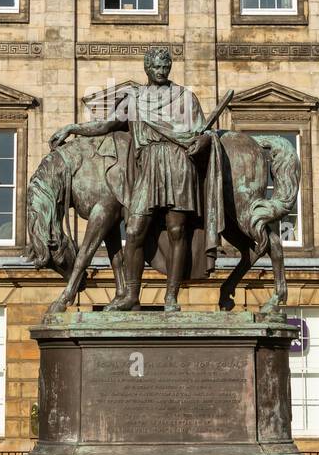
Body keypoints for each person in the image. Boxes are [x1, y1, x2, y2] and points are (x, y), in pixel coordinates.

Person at [50, 46, 224, 310]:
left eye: (166, 66)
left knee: (177, 230)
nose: (162, 71)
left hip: (178, 164)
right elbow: (105, 125)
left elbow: (204, 133)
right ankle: (131, 295)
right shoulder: (135, 99)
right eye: (157, 67)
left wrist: (202, 141)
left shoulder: (184, 97)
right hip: (149, 164)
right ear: (147, 68)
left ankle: (171, 297)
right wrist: (72, 128)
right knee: (133, 231)